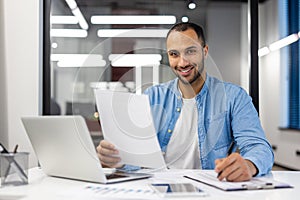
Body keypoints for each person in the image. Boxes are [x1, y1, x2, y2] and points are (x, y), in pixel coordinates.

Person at [97, 22, 274, 182]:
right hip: (160, 187)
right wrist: (117, 160)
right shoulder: (152, 97)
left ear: (204, 51)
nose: (182, 62)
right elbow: (137, 159)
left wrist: (250, 165)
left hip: (212, 189)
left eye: (190, 51)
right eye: (174, 54)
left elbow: (259, 147)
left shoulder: (234, 97)